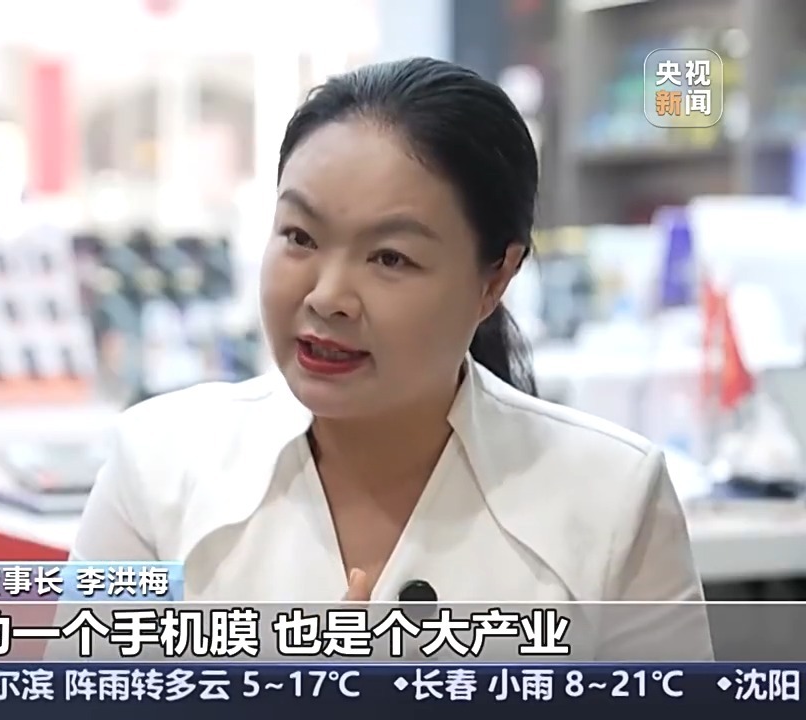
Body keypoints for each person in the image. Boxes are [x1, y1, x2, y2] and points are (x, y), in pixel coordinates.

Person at [71, 58, 711, 659]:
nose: (327, 297)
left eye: (390, 258)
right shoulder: (156, 467)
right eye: (300, 237)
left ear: (495, 278)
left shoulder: (614, 496)